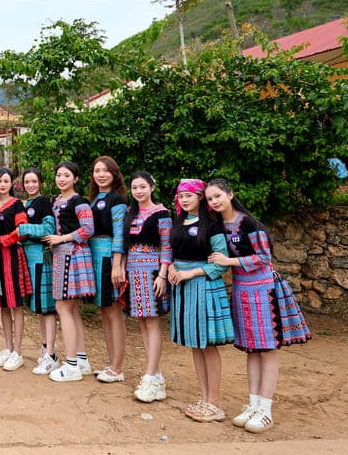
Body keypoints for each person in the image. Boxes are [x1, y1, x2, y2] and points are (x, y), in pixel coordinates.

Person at [205, 178, 311, 433]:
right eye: (209, 198)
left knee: (267, 349)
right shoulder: (219, 224)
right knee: (252, 349)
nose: (214, 201)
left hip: (262, 289)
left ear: (230, 194)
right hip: (242, 290)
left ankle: (266, 409)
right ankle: (253, 404)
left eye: (218, 195)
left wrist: (229, 261)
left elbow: (264, 258)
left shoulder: (248, 223)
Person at [168, 178, 234, 423]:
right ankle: (204, 397)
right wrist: (174, 269)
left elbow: (220, 263)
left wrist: (192, 272)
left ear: (200, 197)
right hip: (183, 287)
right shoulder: (178, 222)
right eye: (181, 196)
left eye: (189, 195)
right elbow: (175, 252)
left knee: (207, 344)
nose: (184, 199)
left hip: (204, 287)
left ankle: (214, 402)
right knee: (195, 344)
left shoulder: (212, 227)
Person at [42, 161, 95, 383]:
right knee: (71, 309)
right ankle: (81, 359)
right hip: (62, 255)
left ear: (76, 179)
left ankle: (71, 364)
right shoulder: (57, 201)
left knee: (63, 306)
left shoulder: (79, 201)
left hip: (73, 254)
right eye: (59, 175)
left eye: (66, 175)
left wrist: (61, 238)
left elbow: (88, 229)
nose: (61, 179)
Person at [122, 171, 172, 403]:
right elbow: (125, 245)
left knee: (152, 322)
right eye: (134, 188)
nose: (139, 191)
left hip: (152, 272)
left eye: (143, 187)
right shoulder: (131, 214)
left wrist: (162, 275)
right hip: (133, 273)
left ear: (152, 187)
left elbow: (167, 246)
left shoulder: (161, 213)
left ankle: (151, 376)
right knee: (143, 322)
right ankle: (156, 375)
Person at [0, 167, 33, 372]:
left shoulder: (16, 205)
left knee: (16, 304)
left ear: (11, 183)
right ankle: (7, 347)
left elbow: (22, 231)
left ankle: (18, 351)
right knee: (3, 305)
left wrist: (2, 240)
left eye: (6, 181)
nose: (2, 184)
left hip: (11, 255)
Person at [87, 156, 128, 383]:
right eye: (96, 170)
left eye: (105, 171)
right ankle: (111, 363)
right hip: (94, 257)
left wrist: (116, 263)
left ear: (114, 173)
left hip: (107, 259)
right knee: (104, 312)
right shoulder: (94, 199)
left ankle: (117, 367)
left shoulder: (117, 200)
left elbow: (120, 233)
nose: (101, 174)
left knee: (113, 313)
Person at [16, 168, 59, 375]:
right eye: (27, 182)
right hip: (28, 259)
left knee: (47, 308)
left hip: (41, 258)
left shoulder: (43, 203)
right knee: (39, 308)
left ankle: (51, 354)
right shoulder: (26, 204)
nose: (30, 185)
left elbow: (48, 230)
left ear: (40, 182)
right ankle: (45, 347)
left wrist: (24, 230)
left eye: (34, 181)